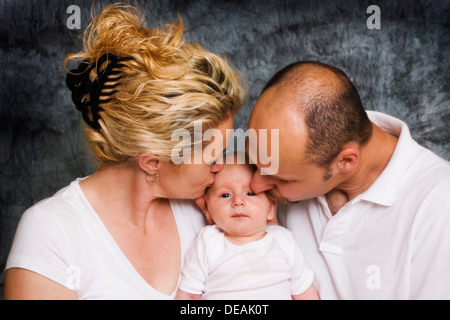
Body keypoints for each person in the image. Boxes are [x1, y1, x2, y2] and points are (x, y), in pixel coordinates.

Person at [4, 4, 244, 300]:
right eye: (212, 157)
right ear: (153, 162)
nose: (221, 167)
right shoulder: (52, 233)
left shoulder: (206, 213)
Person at [248, 61, 450, 299]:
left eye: (280, 179)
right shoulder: (284, 157)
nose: (255, 185)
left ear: (345, 162)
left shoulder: (439, 206)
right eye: (254, 164)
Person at [175, 154, 319, 300]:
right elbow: (188, 294)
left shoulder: (283, 240)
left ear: (270, 208)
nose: (238, 201)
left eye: (250, 193)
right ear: (209, 209)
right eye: (225, 195)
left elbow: (304, 292)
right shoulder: (208, 242)